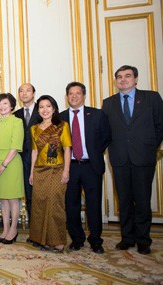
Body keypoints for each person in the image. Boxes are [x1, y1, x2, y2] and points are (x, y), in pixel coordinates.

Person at [102, 65, 163, 255]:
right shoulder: (108, 103)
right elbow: (105, 131)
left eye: (127, 76)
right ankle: (127, 238)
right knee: (125, 200)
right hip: (119, 157)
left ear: (136, 79)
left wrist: (151, 147)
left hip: (143, 157)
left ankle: (143, 240)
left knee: (142, 200)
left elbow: (160, 125)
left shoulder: (151, 98)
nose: (123, 79)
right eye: (119, 77)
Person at [59, 82, 111, 254]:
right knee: (71, 204)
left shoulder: (97, 114)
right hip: (70, 167)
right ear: (67, 97)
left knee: (94, 204)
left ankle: (96, 240)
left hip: (91, 166)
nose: (74, 96)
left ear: (84, 95)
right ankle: (77, 238)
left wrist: (94, 153)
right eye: (71, 94)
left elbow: (105, 138)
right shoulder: (60, 117)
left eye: (78, 93)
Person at [29, 95, 71, 253]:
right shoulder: (34, 128)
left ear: (54, 108)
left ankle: (58, 241)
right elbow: (34, 151)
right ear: (38, 110)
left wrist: (66, 170)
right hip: (39, 170)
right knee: (39, 205)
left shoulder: (62, 125)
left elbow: (67, 148)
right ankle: (43, 239)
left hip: (57, 169)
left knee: (55, 205)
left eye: (48, 106)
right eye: (41, 107)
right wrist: (32, 172)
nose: (44, 109)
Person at [0, 93, 24, 245]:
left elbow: (15, 146)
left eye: (5, 104)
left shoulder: (17, 122)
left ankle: (14, 229)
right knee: (3, 199)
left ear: (12, 106)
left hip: (11, 164)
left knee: (13, 199)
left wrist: (3, 165)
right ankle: (5, 229)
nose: (1, 107)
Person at [13, 83, 38, 229]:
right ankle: (34, 230)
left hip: (40, 160)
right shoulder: (16, 114)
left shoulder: (43, 110)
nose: (24, 93)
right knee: (28, 195)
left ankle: (44, 229)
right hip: (21, 160)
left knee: (40, 195)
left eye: (27, 90)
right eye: (21, 91)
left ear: (33, 93)